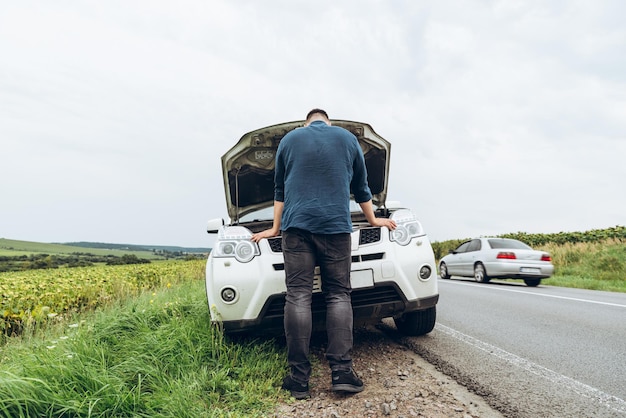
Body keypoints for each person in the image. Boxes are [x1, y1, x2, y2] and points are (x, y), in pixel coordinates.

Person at [251, 109, 396, 400]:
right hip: (335, 227)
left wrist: (274, 229)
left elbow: (279, 192)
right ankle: (342, 373)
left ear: (307, 122)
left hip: (296, 228)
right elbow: (361, 189)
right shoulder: (348, 139)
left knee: (299, 295)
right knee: (338, 295)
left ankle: (299, 379)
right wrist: (374, 220)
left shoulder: (290, 140)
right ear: (327, 121)